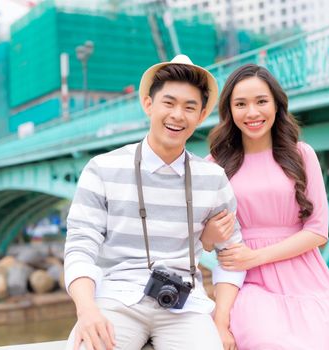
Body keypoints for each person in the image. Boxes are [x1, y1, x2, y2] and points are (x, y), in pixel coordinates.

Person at [64, 55, 245, 350]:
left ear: (201, 116)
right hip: (115, 299)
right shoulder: (103, 168)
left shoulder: (213, 178)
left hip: (186, 305)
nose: (178, 115)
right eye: (169, 103)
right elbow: (80, 246)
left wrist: (221, 321)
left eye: (190, 107)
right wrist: (86, 310)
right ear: (148, 104)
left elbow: (233, 256)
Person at [201, 64, 329, 350]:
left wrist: (256, 256)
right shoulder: (215, 165)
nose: (252, 113)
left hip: (306, 279)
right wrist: (212, 234)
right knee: (268, 341)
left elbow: (317, 232)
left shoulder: (302, 155)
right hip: (246, 282)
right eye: (241, 104)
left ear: (277, 105)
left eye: (261, 102)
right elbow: (201, 240)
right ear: (229, 110)